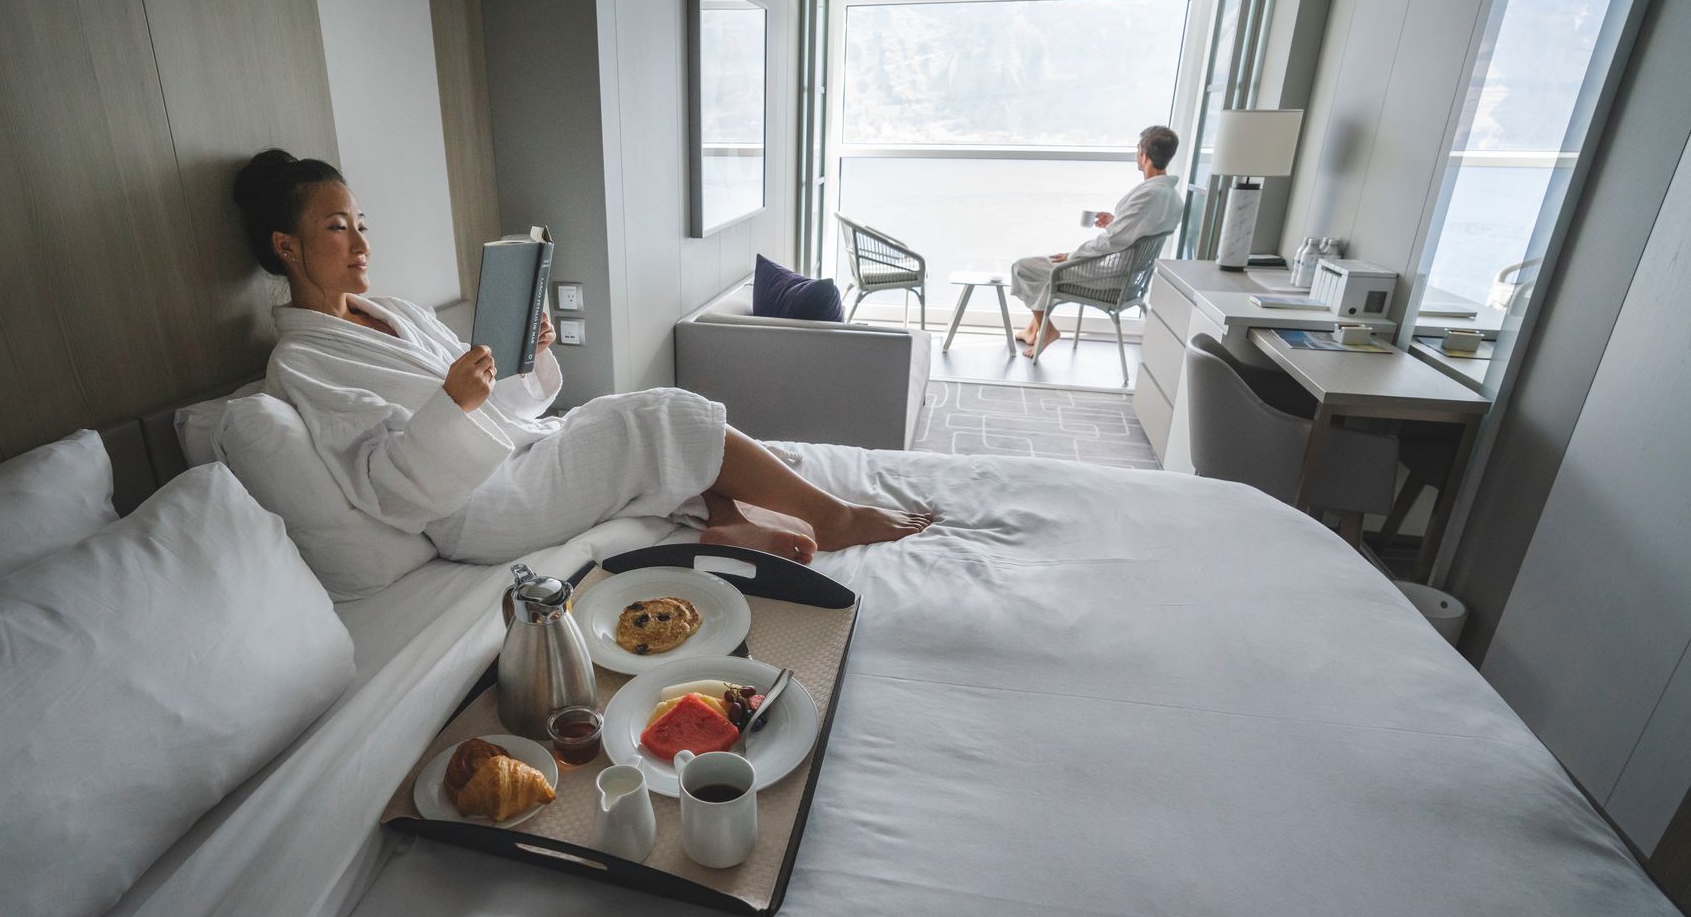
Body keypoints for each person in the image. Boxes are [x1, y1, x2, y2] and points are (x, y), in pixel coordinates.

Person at [232, 149, 931, 566]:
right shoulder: (302, 362)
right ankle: (833, 519)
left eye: (361, 224)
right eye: (337, 228)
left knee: (626, 417)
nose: (361, 244)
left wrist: (520, 359)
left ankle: (726, 520)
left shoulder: (397, 312)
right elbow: (380, 487)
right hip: (475, 505)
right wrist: (452, 404)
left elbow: (493, 405)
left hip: (510, 454)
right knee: (657, 415)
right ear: (286, 247)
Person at [1010, 125, 1184, 356]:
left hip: (1111, 277)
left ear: (1143, 154)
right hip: (1132, 276)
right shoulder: (1172, 197)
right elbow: (1139, 230)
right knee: (1046, 268)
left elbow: (1112, 241)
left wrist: (1073, 256)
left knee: (1024, 268)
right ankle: (1033, 330)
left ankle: (1047, 330)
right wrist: (1115, 220)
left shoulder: (1149, 194)